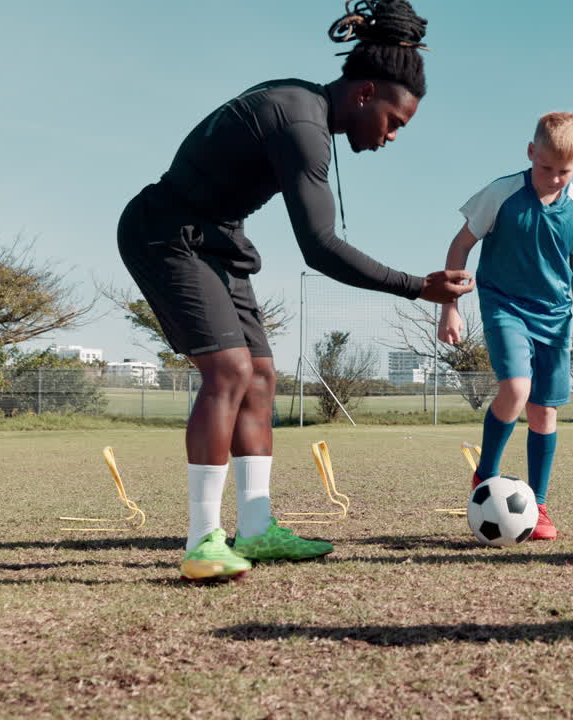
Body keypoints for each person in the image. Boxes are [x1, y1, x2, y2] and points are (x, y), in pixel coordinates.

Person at [117, 0, 472, 581]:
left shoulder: (307, 108)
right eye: (394, 121)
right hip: (165, 233)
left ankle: (255, 531)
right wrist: (418, 287)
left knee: (259, 377)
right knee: (229, 371)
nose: (391, 137)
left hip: (217, 239)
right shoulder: (300, 121)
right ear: (363, 94)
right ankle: (202, 540)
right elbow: (320, 247)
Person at [439, 111, 573, 541]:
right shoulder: (502, 193)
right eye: (545, 167)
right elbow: (460, 245)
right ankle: (485, 477)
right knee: (516, 389)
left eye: (564, 171)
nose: (553, 178)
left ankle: (540, 505)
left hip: (555, 315)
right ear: (531, 153)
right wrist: (451, 307)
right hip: (504, 306)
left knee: (543, 411)